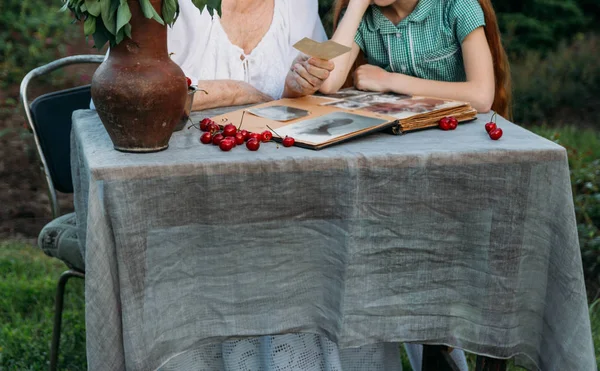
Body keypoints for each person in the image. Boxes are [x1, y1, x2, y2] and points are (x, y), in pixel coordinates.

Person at [320, 0, 511, 119]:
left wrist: (390, 80)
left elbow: (482, 96)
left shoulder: (457, 5)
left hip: (457, 136)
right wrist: (356, 6)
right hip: (395, 142)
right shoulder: (363, 15)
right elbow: (329, 82)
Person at [168, 0, 335, 110]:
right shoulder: (177, 6)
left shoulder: (299, 5)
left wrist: (294, 89)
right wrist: (239, 92)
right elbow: (150, 92)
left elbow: (303, 98)